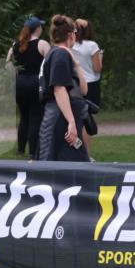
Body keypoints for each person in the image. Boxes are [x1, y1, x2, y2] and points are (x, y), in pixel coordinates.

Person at [36, 15, 89, 162]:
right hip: (61, 118)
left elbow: (84, 91)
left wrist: (77, 64)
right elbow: (59, 89)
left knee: (79, 158)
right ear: (71, 35)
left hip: (65, 117)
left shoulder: (62, 54)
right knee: (67, 166)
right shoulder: (59, 54)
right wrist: (71, 122)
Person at [6, 16, 50, 157]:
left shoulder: (15, 45)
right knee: (36, 116)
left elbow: (8, 63)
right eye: (41, 26)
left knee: (24, 117)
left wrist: (16, 75)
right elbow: (50, 64)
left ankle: (20, 150)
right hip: (35, 82)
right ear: (37, 29)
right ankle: (33, 152)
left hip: (20, 83)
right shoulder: (42, 44)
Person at [72, 18, 103, 155]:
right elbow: (97, 68)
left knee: (75, 119)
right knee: (87, 121)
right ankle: (87, 155)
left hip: (74, 83)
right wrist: (100, 56)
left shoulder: (70, 44)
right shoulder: (92, 45)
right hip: (91, 84)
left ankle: (76, 151)